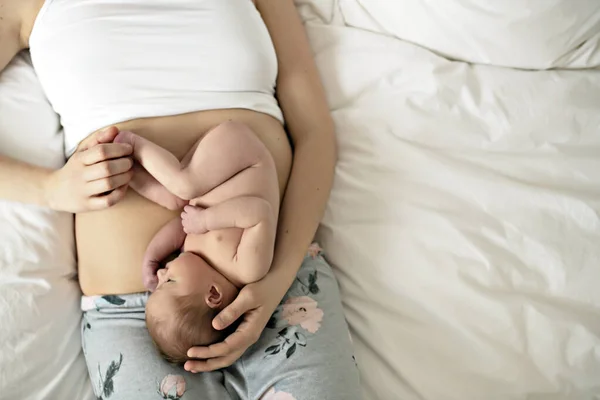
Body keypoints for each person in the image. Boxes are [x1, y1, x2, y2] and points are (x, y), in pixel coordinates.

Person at [0, 0, 362, 399]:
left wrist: (274, 281)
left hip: (283, 285)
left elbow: (314, 133)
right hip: (139, 315)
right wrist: (50, 189)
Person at [114, 123, 280, 362]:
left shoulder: (192, 254)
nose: (162, 272)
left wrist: (151, 258)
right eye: (168, 281)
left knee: (175, 199)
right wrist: (205, 220)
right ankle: (131, 143)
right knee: (184, 186)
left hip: (210, 173)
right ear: (212, 294)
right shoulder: (247, 268)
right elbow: (260, 214)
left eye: (158, 279)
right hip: (244, 158)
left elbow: (180, 226)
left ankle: (125, 170)